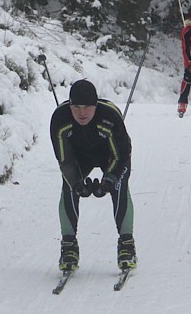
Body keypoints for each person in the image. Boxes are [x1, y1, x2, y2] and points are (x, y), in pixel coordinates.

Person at [49, 79, 136, 272]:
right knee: (69, 187)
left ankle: (126, 245)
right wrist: (77, 183)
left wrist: (109, 181)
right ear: (70, 106)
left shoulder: (110, 117)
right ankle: (69, 246)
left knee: (119, 186)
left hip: (111, 156)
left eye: (87, 107)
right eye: (76, 107)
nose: (82, 113)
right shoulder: (60, 120)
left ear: (95, 105)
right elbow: (65, 161)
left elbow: (120, 156)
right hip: (80, 157)